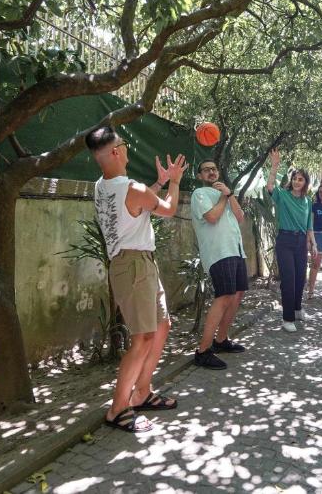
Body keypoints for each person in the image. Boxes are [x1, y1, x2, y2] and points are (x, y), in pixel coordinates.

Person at [87, 126, 187, 433]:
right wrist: (174, 182)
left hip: (135, 263)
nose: (127, 148)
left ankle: (142, 391)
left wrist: (157, 182)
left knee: (161, 325)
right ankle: (118, 409)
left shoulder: (102, 186)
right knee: (143, 337)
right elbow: (168, 210)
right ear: (115, 151)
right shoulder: (131, 187)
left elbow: (135, 207)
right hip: (134, 266)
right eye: (124, 144)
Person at [189, 160, 248, 370]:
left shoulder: (226, 194)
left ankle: (221, 341)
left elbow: (240, 217)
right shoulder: (200, 194)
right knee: (223, 297)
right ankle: (203, 351)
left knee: (237, 293)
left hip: (236, 250)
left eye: (214, 169)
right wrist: (224, 197)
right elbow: (212, 217)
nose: (212, 172)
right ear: (199, 175)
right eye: (206, 169)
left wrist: (230, 195)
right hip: (218, 252)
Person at [265, 148, 316, 332]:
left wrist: (313, 243)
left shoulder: (308, 201)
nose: (296, 181)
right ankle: (287, 319)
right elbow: (270, 187)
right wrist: (274, 166)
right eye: (295, 178)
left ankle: (297, 309)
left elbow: (309, 224)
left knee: (301, 278)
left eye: (300, 179)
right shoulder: (283, 196)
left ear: (305, 183)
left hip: (301, 241)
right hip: (285, 240)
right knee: (289, 279)